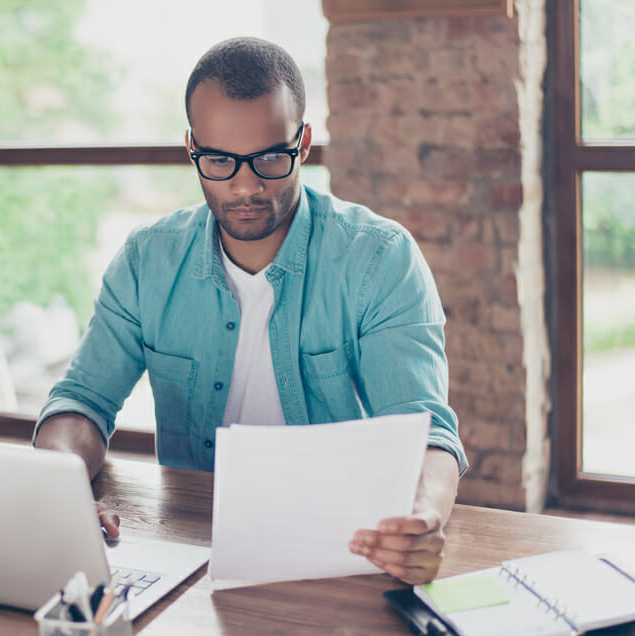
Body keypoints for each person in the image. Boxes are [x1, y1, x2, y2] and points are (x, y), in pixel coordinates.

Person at [33, 37, 467, 586]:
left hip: (342, 551)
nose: (244, 185)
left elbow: (425, 431)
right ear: (191, 148)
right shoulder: (148, 260)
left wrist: (422, 517)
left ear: (303, 143)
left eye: (268, 158)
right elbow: (81, 403)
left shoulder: (379, 259)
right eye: (218, 159)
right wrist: (57, 489)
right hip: (192, 549)